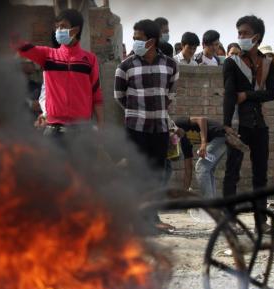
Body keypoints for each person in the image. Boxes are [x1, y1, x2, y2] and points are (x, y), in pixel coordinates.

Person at [114, 19, 179, 230]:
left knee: (157, 175)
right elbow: (119, 96)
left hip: (159, 129)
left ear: (151, 41)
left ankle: (152, 219)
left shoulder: (170, 65)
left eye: (138, 39)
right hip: (135, 129)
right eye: (134, 39)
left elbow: (170, 95)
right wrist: (137, 112)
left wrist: (156, 111)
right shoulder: (125, 66)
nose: (134, 42)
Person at [13, 9, 103, 138]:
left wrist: (100, 125)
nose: (58, 30)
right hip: (54, 132)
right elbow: (24, 48)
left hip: (82, 133)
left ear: (75, 30)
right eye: (57, 27)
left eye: (63, 26)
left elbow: (96, 94)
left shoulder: (89, 59)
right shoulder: (48, 55)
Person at [223, 15, 274, 228]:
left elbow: (271, 93)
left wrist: (247, 95)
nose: (241, 37)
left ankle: (260, 220)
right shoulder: (232, 62)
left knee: (260, 176)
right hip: (238, 124)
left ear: (257, 37)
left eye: (245, 33)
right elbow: (229, 95)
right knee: (232, 173)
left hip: (259, 125)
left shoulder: (267, 62)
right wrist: (226, 125)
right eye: (239, 33)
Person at [174, 116, 226, 198]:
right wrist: (184, 194)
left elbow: (201, 119)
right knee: (207, 169)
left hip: (219, 134)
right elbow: (188, 169)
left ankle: (209, 205)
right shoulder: (184, 142)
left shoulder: (179, 123)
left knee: (201, 167)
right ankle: (213, 204)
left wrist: (203, 143)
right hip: (222, 139)